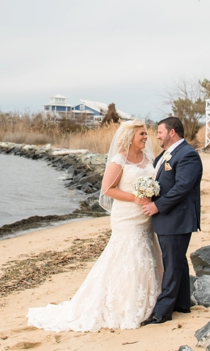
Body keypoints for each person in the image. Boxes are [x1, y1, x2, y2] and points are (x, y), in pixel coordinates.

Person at [27, 120, 163, 331]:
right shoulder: (119, 160)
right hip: (127, 215)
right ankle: (123, 305)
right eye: (142, 135)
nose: (146, 137)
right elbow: (107, 189)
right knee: (130, 254)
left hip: (145, 215)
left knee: (147, 252)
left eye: (146, 134)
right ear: (129, 138)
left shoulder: (148, 158)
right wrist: (135, 198)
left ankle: (151, 300)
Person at [138, 116, 203, 325]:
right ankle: (182, 303)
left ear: (172, 132)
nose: (157, 136)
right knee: (178, 260)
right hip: (169, 219)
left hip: (177, 218)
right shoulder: (165, 155)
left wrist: (157, 205)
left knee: (172, 264)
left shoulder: (188, 155)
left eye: (160, 132)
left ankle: (162, 312)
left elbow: (182, 187)